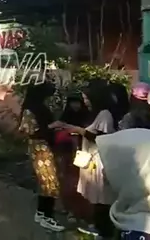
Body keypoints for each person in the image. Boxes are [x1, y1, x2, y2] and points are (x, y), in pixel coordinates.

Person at [51, 80, 116, 238]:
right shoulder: (97, 113)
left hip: (100, 159)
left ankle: (104, 230)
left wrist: (77, 130)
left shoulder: (105, 114)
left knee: (102, 196)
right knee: (95, 195)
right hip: (90, 157)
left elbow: (102, 138)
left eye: (86, 98)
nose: (85, 101)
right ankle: (97, 226)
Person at [18, 82, 65, 232]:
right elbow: (30, 131)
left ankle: (40, 213)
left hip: (45, 147)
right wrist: (52, 127)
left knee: (46, 182)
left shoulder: (39, 108)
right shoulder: (30, 110)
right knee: (49, 182)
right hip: (39, 148)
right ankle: (47, 217)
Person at [53, 91, 92, 222]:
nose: (75, 106)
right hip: (66, 152)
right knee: (67, 181)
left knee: (82, 181)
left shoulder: (87, 116)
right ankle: (68, 208)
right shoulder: (65, 116)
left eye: (77, 103)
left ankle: (82, 211)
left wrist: (71, 128)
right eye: (72, 103)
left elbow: (88, 132)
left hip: (83, 152)